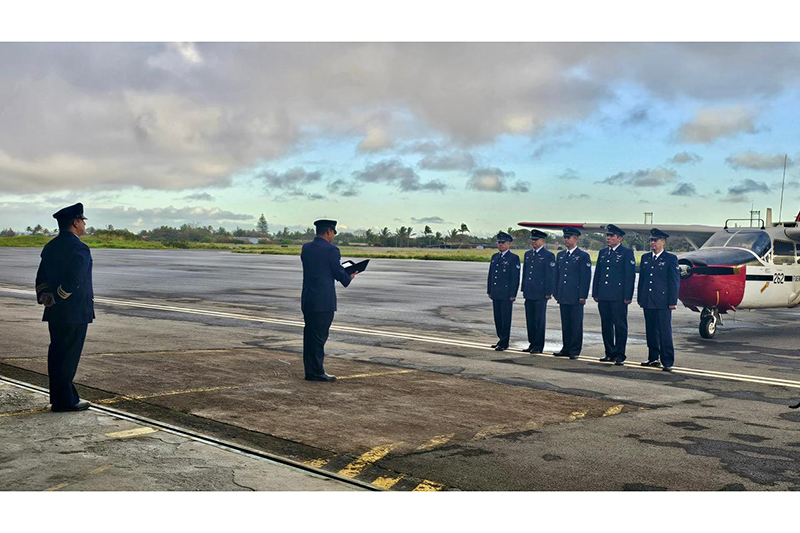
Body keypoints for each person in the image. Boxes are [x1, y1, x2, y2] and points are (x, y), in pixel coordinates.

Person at [35, 203, 94, 412]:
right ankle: (66, 401)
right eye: (83, 220)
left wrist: (46, 296)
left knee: (57, 354)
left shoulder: (51, 246)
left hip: (54, 311)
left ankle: (60, 398)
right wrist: (59, 297)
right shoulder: (79, 248)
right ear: (75, 223)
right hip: (74, 312)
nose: (85, 224)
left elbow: (41, 277)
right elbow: (74, 279)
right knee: (68, 357)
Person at [300, 219, 357, 381]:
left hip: (308, 298)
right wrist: (350, 275)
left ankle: (310, 371)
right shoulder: (332, 250)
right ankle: (317, 372)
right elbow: (339, 274)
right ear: (328, 231)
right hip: (323, 301)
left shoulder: (307, 248)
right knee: (319, 337)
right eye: (333, 233)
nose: (333, 237)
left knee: (310, 336)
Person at [637, 228, 681, 371]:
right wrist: (640, 297)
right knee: (650, 330)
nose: (652, 243)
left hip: (662, 301)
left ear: (663, 242)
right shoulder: (646, 258)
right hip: (648, 300)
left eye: (655, 240)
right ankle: (653, 357)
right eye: (651, 240)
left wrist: (672, 301)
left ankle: (667, 360)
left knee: (664, 331)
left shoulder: (670, 259)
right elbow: (642, 280)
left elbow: (674, 281)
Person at [592, 224, 636, 365]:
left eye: (611, 236)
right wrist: (595, 292)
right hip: (604, 295)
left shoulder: (626, 253)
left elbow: (629, 276)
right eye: (607, 236)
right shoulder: (603, 252)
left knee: (620, 325)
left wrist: (627, 296)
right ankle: (609, 352)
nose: (608, 238)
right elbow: (598, 274)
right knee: (606, 325)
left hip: (618, 296)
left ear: (620, 238)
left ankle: (619, 354)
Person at [553, 227, 591, 359]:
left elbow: (585, 278)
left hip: (575, 296)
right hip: (563, 294)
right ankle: (566, 347)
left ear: (575, 239)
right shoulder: (561, 255)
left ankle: (575, 350)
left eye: (568, 238)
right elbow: (557, 275)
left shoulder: (582, 256)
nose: (566, 240)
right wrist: (556, 291)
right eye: (565, 238)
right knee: (566, 323)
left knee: (575, 324)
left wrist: (583, 295)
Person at [521, 229, 555, 354]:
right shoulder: (528, 254)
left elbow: (550, 275)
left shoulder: (548, 255)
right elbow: (525, 273)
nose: (533, 242)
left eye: (536, 240)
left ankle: (538, 345)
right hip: (529, 292)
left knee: (538, 320)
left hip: (540, 293)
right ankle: (532, 343)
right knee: (530, 319)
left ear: (543, 241)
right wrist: (523, 288)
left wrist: (548, 292)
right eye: (532, 239)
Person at [487, 231, 520, 351]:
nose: (500, 244)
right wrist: (489, 290)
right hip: (496, 292)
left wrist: (513, 294)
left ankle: (504, 342)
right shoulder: (495, 257)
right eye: (499, 242)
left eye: (502, 242)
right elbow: (491, 275)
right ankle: (500, 338)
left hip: (506, 294)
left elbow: (514, 278)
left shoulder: (513, 258)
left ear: (509, 244)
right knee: (498, 318)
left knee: (505, 319)